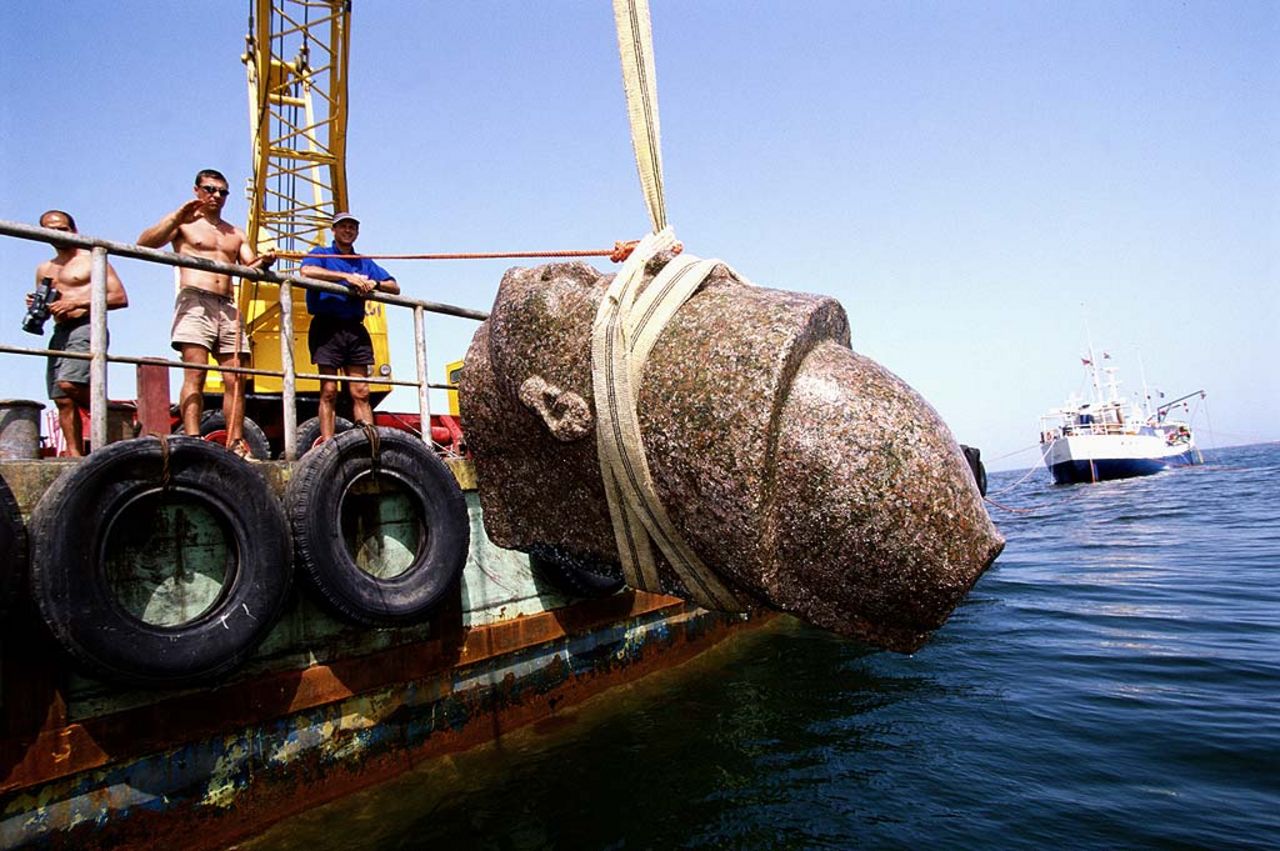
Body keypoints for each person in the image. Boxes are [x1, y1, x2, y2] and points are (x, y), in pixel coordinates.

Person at [137, 169, 274, 456]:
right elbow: (145, 243)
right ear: (197, 190)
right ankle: (193, 439)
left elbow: (251, 268)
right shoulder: (185, 223)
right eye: (210, 189)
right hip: (195, 301)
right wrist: (178, 214)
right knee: (195, 374)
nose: (217, 196)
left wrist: (266, 260)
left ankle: (235, 442)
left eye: (223, 192)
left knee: (235, 378)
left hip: (227, 306)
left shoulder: (234, 233)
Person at [31, 210, 129, 456]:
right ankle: (74, 457)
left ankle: (119, 415)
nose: (56, 233)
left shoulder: (91, 259)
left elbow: (119, 297)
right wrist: (37, 305)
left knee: (70, 384)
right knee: (61, 398)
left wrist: (76, 304)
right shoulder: (45, 268)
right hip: (60, 331)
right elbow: (46, 308)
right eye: (50, 229)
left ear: (73, 230)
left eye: (62, 228)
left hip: (86, 326)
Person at [299, 212, 399, 441]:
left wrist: (375, 283)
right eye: (343, 226)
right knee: (329, 391)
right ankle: (327, 444)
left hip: (354, 328)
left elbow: (395, 286)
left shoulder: (363, 261)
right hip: (327, 327)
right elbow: (307, 271)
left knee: (361, 391)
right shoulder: (321, 254)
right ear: (333, 230)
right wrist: (347, 278)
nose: (348, 230)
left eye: (352, 227)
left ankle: (369, 444)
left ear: (357, 232)